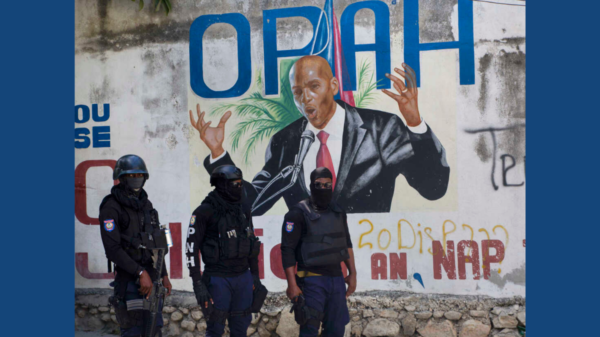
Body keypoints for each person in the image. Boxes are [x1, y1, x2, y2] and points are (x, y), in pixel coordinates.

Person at [189, 55, 450, 215]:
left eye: (314, 86)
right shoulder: (284, 142)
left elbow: (434, 188)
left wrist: (414, 123)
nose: (306, 98)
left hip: (367, 256)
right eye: (298, 92)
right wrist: (218, 154)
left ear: (333, 86)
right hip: (307, 266)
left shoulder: (381, 128)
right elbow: (252, 204)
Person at [185, 165, 265, 337]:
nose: (239, 187)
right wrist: (198, 284)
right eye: (234, 184)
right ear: (221, 185)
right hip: (217, 279)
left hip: (243, 278)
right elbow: (191, 249)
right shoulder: (204, 211)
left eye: (240, 183)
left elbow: (251, 244)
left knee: (241, 329)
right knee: (215, 329)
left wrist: (255, 276)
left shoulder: (243, 209)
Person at [99, 154, 172, 337]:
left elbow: (157, 245)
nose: (136, 179)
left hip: (152, 279)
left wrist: (164, 274)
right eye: (131, 176)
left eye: (139, 175)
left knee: (154, 330)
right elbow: (112, 249)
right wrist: (140, 272)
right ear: (121, 178)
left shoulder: (147, 206)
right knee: (134, 332)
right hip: (129, 281)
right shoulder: (111, 206)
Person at [280, 167, 357, 337]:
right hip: (311, 281)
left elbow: (347, 243)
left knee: (336, 330)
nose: (323, 188)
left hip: (336, 280)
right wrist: (292, 284)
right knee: (309, 330)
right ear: (311, 185)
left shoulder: (338, 211)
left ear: (332, 185)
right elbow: (287, 249)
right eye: (318, 184)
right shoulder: (297, 213)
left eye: (327, 185)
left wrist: (353, 273)